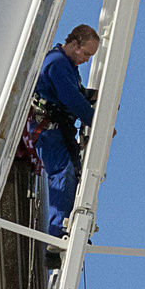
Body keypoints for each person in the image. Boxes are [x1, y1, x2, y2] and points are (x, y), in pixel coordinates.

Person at [25, 25, 99, 249]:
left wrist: (93, 96)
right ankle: (58, 235)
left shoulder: (65, 65)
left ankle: (67, 230)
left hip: (58, 131)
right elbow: (71, 100)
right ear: (75, 43)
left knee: (72, 175)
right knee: (63, 173)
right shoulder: (57, 64)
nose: (86, 59)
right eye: (85, 53)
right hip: (49, 131)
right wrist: (98, 120)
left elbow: (71, 93)